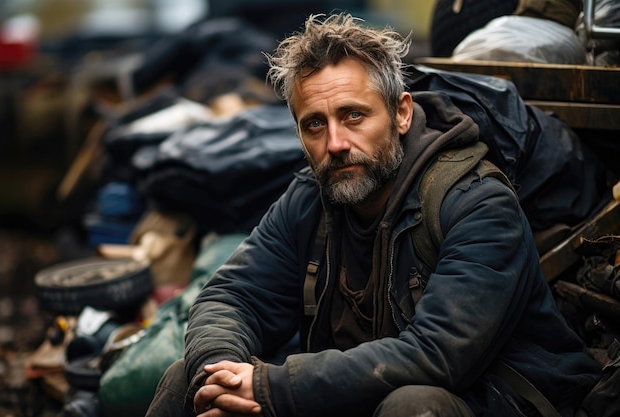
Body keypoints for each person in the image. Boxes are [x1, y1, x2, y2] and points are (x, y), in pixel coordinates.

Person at [145, 12, 601, 417]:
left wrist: (269, 387)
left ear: (401, 113)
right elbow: (231, 296)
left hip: (493, 398)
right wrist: (224, 378)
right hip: (361, 392)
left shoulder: (477, 203)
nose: (336, 143)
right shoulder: (310, 198)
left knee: (412, 404)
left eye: (354, 116)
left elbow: (438, 355)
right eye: (315, 124)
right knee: (186, 378)